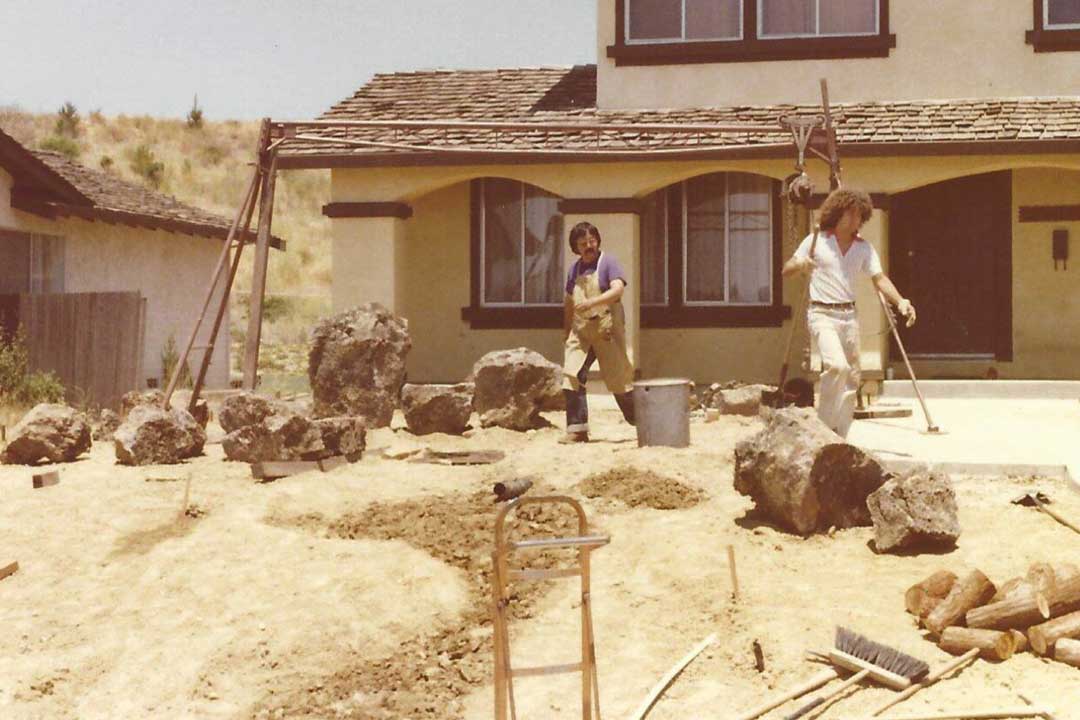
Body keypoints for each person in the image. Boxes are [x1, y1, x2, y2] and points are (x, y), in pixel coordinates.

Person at [781, 188, 916, 438]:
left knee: (852, 379)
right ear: (837, 214)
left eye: (859, 216)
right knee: (837, 367)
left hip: (849, 317)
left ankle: (840, 436)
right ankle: (822, 429)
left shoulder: (864, 248)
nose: (855, 221)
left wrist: (900, 302)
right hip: (822, 314)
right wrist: (801, 264)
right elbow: (787, 270)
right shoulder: (815, 241)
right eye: (850, 215)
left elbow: (880, 279)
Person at [561, 221, 635, 443]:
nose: (589, 246)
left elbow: (617, 289)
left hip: (606, 328)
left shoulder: (608, 262)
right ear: (576, 247)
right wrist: (566, 332)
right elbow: (569, 302)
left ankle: (643, 420)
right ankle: (577, 429)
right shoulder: (574, 269)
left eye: (592, 241)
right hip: (581, 330)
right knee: (571, 375)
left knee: (618, 379)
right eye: (583, 243)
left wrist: (593, 301)